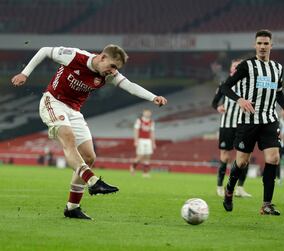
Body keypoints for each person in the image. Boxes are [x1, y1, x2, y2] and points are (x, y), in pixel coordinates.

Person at [11, 44, 167, 219]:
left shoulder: (108, 75)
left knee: (89, 156)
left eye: (117, 68)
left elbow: (130, 85)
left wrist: (153, 97)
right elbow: (45, 51)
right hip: (53, 101)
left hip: (74, 111)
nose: (113, 71)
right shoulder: (75, 56)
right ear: (102, 57)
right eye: (112, 66)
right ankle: (92, 181)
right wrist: (25, 73)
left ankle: (72, 208)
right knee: (68, 139)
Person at [220, 30, 284, 215]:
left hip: (269, 120)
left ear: (271, 45)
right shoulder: (246, 66)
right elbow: (225, 86)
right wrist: (239, 100)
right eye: (259, 43)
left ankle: (266, 204)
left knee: (274, 158)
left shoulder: (278, 68)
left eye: (266, 43)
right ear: (255, 45)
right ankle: (229, 190)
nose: (262, 46)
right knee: (242, 162)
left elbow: (278, 91)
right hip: (248, 121)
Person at [211, 59, 252, 198]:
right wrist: (218, 107)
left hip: (243, 125)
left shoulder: (248, 85)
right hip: (227, 125)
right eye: (234, 66)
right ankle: (219, 187)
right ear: (230, 69)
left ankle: (240, 188)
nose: (236, 69)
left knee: (244, 158)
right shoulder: (224, 84)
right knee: (225, 157)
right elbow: (214, 102)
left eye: (238, 67)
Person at [130, 109, 156, 178]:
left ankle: (145, 173)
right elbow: (136, 131)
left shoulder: (151, 122)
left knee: (147, 156)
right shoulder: (139, 121)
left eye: (149, 113)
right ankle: (133, 167)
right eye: (146, 112)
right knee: (140, 156)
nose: (147, 114)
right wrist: (136, 140)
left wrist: (153, 143)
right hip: (141, 140)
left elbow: (152, 133)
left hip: (148, 140)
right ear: (143, 113)